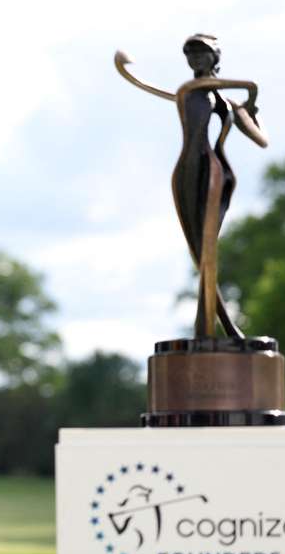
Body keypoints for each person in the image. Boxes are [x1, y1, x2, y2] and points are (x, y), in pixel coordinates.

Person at [115, 35, 268, 338]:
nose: (196, 59)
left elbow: (261, 139)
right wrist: (249, 88)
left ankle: (216, 329)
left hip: (215, 171)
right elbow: (243, 84)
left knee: (207, 248)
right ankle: (217, 329)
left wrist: (251, 107)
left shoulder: (229, 102)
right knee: (199, 250)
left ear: (215, 57)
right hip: (186, 170)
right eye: (191, 54)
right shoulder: (188, 91)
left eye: (203, 53)